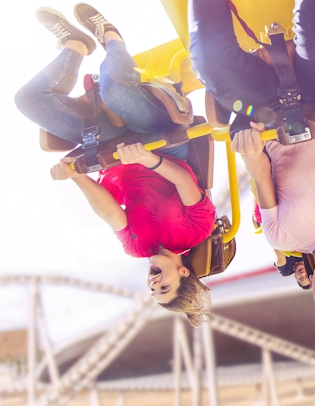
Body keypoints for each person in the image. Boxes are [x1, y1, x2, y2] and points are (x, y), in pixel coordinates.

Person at [14, 4, 216, 326]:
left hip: (112, 151)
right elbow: (183, 182)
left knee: (28, 100)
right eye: (163, 286)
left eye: (153, 290)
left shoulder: (136, 249)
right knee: (113, 90)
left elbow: (111, 213)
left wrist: (75, 177)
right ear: (182, 272)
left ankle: (75, 46)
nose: (153, 284)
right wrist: (149, 159)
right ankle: (110, 37)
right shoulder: (195, 231)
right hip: (159, 140)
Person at [189, 0, 315, 329]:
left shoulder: (282, 238)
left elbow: (262, 179)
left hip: (268, 112)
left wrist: (250, 154)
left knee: (209, 61)